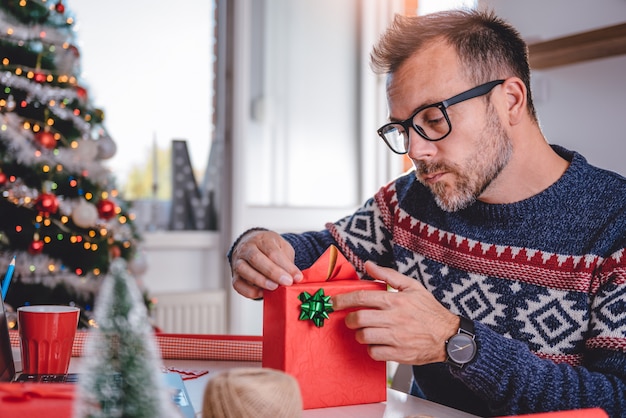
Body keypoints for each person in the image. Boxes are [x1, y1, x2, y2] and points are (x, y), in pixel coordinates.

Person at [228, 8, 626, 417]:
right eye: (402, 130)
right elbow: (323, 250)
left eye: (434, 120)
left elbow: (618, 399)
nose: (416, 151)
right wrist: (254, 247)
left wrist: (457, 343)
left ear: (510, 100)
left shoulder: (615, 224)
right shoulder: (410, 201)